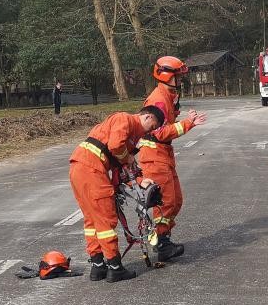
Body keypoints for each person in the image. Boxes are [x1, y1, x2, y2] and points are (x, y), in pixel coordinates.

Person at [69, 106, 164, 283]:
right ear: (147, 117)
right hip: (92, 170)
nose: (151, 131)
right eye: (153, 126)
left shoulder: (127, 134)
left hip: (79, 168)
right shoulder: (125, 119)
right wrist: (126, 157)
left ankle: (98, 265)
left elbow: (123, 164)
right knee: (105, 220)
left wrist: (139, 179)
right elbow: (116, 148)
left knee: (92, 220)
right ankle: (114, 266)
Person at [138, 55, 207, 262]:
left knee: (175, 201)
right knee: (166, 202)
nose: (181, 80)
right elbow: (159, 132)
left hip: (163, 155)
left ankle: (163, 238)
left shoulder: (168, 95)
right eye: (178, 76)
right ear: (168, 76)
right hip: (155, 157)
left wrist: (184, 117)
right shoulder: (159, 99)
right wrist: (187, 124)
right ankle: (161, 243)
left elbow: (167, 122)